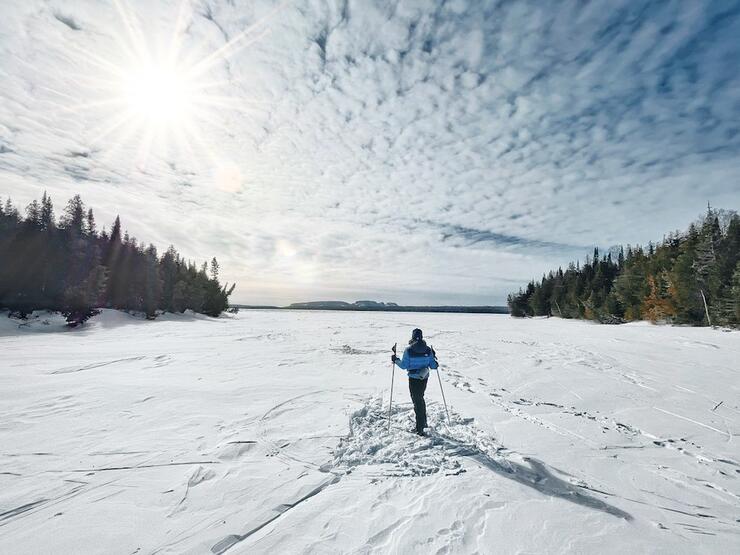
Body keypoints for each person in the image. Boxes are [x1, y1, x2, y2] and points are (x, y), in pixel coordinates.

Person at [391, 328, 438, 436]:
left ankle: (419, 428)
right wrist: (434, 360)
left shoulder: (409, 350)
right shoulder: (427, 350)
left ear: (412, 337)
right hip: (424, 378)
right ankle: (424, 423)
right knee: (420, 399)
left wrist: (396, 360)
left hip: (413, 379)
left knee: (417, 402)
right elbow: (433, 366)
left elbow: (404, 366)